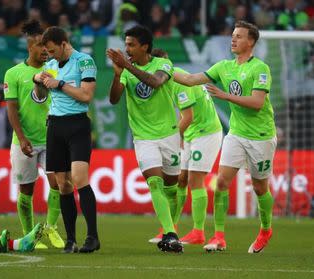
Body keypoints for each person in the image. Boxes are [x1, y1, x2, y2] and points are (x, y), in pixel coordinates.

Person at [174, 21, 276, 253]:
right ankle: (219, 237)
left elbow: (258, 103)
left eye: (238, 36)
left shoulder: (260, 68)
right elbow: (190, 80)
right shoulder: (223, 66)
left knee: (260, 188)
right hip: (236, 134)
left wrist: (225, 95)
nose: (233, 39)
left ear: (250, 42)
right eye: (232, 35)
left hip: (261, 136)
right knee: (220, 183)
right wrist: (162, 69)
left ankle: (266, 229)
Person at [106, 25, 183, 253]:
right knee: (154, 182)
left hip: (169, 133)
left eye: (131, 45)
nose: (127, 49)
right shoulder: (126, 71)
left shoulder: (163, 64)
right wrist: (118, 74)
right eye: (126, 44)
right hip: (143, 136)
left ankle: (170, 228)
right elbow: (113, 99)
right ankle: (170, 234)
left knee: (171, 187)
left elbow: (156, 82)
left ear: (145, 47)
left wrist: (126, 66)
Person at [33, 26, 100, 253]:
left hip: (77, 124)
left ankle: (92, 237)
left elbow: (86, 96)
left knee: (80, 179)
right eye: (47, 52)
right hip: (55, 126)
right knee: (63, 185)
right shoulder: (50, 66)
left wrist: (59, 84)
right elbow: (42, 97)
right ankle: (70, 240)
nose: (50, 55)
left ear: (63, 43)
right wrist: (38, 82)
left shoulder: (84, 61)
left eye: (52, 50)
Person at [148, 49, 223, 245]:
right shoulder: (169, 79)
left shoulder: (177, 81)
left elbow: (187, 116)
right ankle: (169, 228)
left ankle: (198, 232)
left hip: (206, 132)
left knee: (195, 179)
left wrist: (171, 138)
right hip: (192, 133)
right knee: (181, 179)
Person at [4, 20, 65, 250]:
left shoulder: (55, 69)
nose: (44, 50)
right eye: (40, 45)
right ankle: (30, 235)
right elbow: (11, 108)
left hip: (52, 138)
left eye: (46, 46)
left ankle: (50, 228)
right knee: (26, 190)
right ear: (29, 46)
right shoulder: (13, 73)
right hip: (24, 140)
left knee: (58, 183)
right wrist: (21, 137)